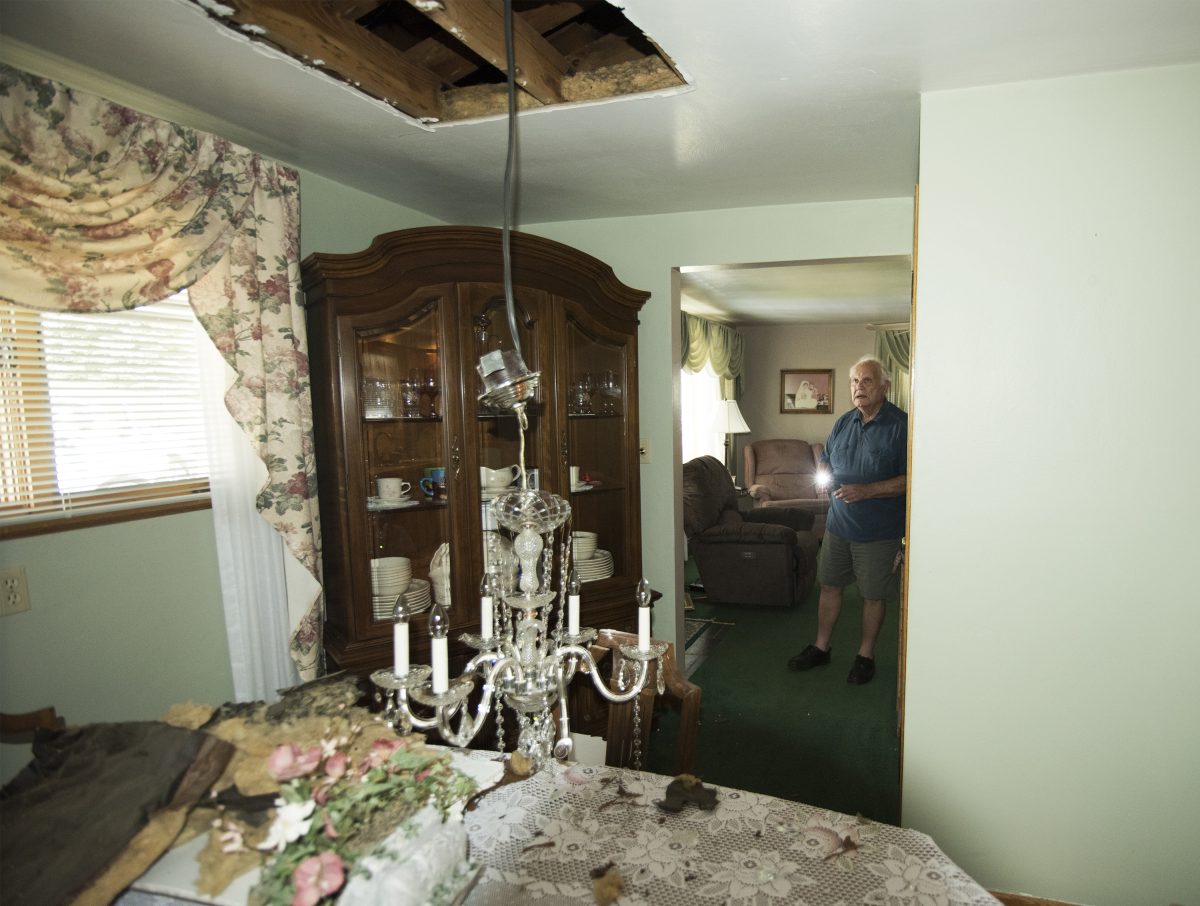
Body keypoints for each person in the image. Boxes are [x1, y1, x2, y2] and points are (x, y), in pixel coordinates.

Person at [788, 355, 907, 685]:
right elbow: (825, 460)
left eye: (867, 380)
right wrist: (824, 476)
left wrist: (867, 491)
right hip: (838, 527)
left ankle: (865, 655)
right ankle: (821, 647)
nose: (859, 387)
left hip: (878, 532)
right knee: (829, 586)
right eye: (855, 381)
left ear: (885, 386)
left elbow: (912, 478)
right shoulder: (843, 423)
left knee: (872, 595)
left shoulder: (901, 426)